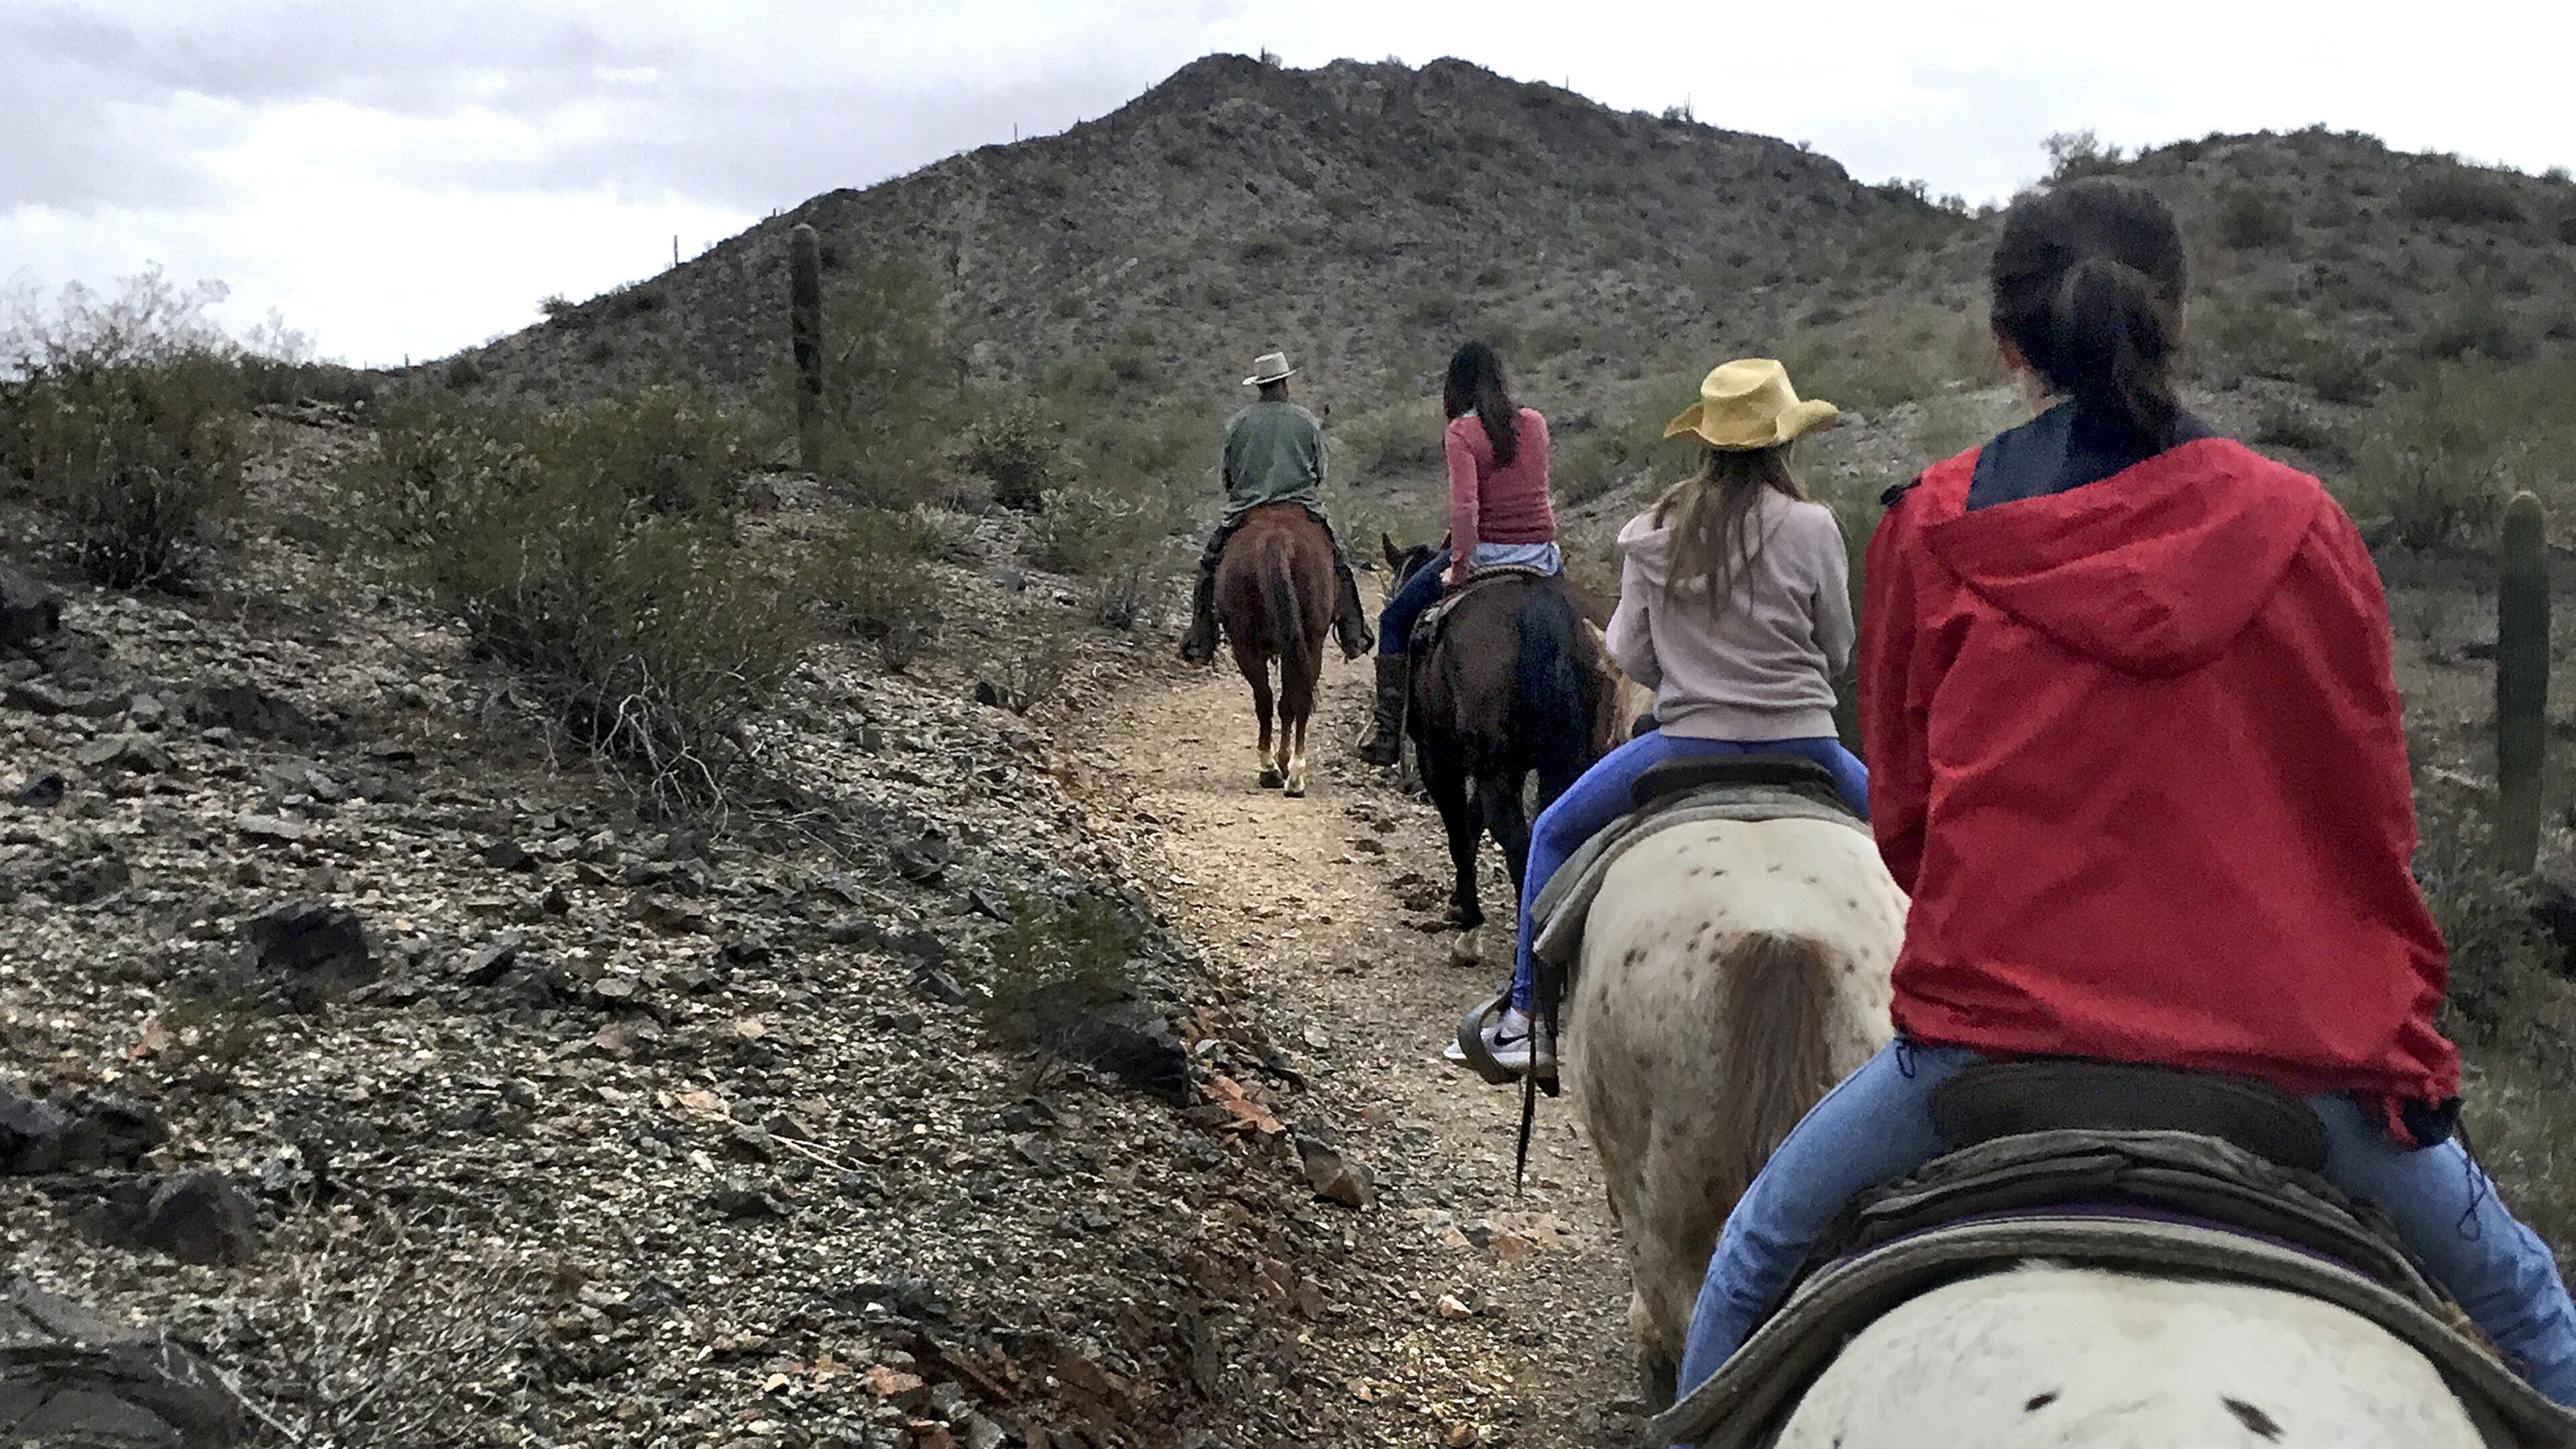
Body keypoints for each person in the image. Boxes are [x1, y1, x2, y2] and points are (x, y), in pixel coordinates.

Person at [1670, 177, 2576, 1409]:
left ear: (2007, 342)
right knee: (2529, 1311)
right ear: (2179, 319)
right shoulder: (2306, 529)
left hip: (1993, 1045)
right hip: (2297, 1058)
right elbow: (2372, 818)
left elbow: (1908, 821)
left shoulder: (1934, 530)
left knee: (1748, 1263)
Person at [1448, 358, 1868, 1078]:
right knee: (1921, 845)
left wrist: (1695, 670)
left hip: (1683, 741)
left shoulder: (1654, 529)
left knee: (1550, 832)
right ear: (1784, 443)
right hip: (1807, 744)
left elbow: (1632, 657)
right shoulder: (1814, 526)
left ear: (1704, 444)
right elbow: (1838, 649)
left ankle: (1529, 1018)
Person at [1357, 341, 1558, 766]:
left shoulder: (1462, 433)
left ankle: (1388, 730)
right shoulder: (1534, 423)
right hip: (1542, 556)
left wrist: (1459, 566)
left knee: (1394, 618)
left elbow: (1466, 508)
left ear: (1455, 386)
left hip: (1486, 553)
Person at [1179, 351, 1372, 665]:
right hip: (1300, 507)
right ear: (1285, 382)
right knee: (1338, 563)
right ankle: (1353, 632)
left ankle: (1202, 637)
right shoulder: (1305, 420)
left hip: (1248, 511)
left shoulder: (1238, 424)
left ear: (1260, 386)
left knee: (1209, 566)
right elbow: (1319, 470)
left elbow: (1228, 475)